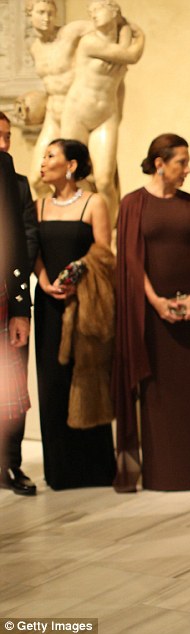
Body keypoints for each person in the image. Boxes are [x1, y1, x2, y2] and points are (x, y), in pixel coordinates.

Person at [113, 134, 190, 492]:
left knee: (189, 392)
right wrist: (155, 301)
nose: (187, 169)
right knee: (156, 392)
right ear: (159, 163)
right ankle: (159, 473)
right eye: (180, 162)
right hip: (151, 316)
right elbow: (130, 260)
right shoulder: (132, 204)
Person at [33, 139, 115, 490]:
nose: (43, 162)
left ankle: (95, 470)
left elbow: (103, 251)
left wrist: (76, 275)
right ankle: (60, 471)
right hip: (49, 303)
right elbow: (33, 252)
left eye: (50, 156)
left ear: (71, 165)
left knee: (87, 376)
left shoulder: (94, 202)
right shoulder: (38, 206)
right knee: (52, 384)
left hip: (83, 303)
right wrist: (46, 281)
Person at [25, 0, 142, 206]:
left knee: (92, 178)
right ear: (30, 15)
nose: (46, 19)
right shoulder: (34, 48)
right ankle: (50, 224)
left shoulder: (72, 32)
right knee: (37, 178)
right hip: (54, 115)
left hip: (79, 110)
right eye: (41, 13)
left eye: (51, 13)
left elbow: (116, 23)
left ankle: (102, 228)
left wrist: (125, 43)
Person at [59, 0, 145, 222]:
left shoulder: (119, 44)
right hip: (77, 112)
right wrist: (140, 35)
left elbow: (125, 50)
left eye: (98, 9)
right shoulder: (89, 42)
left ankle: (108, 235)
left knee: (105, 179)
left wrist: (124, 29)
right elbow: (132, 55)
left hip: (105, 115)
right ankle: (80, 226)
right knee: (74, 176)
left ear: (113, 10)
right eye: (90, 11)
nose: (92, 14)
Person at [0, 113, 39, 496]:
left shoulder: (15, 181)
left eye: (8, 136)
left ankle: (10, 465)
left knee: (10, 388)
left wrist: (19, 308)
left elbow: (24, 239)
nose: (4, 143)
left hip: (4, 296)